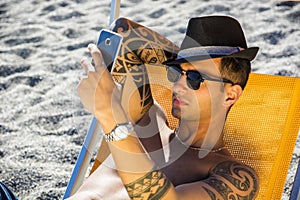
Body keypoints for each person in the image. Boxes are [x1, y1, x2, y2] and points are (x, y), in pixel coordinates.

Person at [69, 16, 259, 199]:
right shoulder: (150, 121)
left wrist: (111, 118)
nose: (177, 87)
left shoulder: (234, 175)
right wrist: (190, 57)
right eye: (177, 73)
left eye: (195, 78)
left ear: (230, 95)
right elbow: (125, 34)